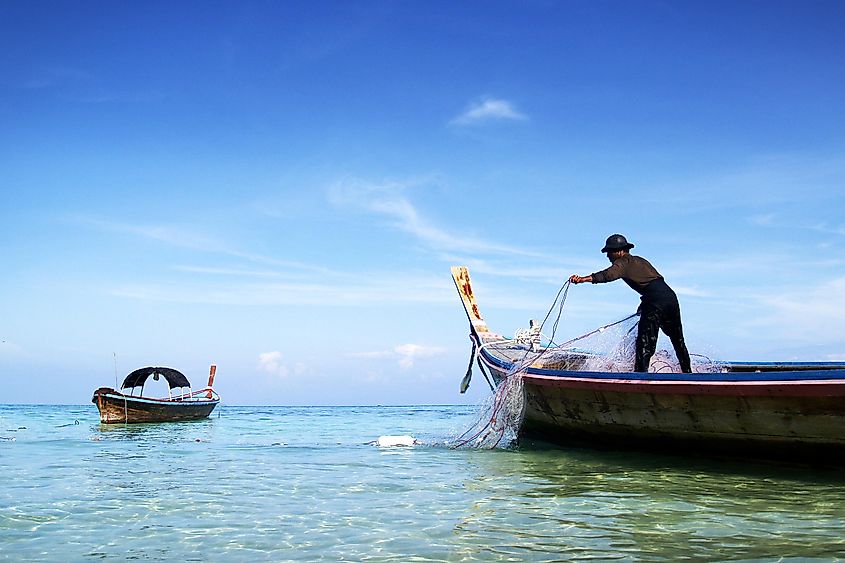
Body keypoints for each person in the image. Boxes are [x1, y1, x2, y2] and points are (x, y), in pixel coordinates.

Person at [569, 234, 692, 373]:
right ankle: (688, 373)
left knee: (645, 342)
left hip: (655, 299)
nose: (608, 256)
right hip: (670, 297)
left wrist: (582, 279)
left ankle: (640, 377)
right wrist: (645, 303)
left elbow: (606, 275)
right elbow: (654, 283)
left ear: (619, 251)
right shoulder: (640, 260)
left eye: (609, 252)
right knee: (678, 339)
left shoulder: (623, 262)